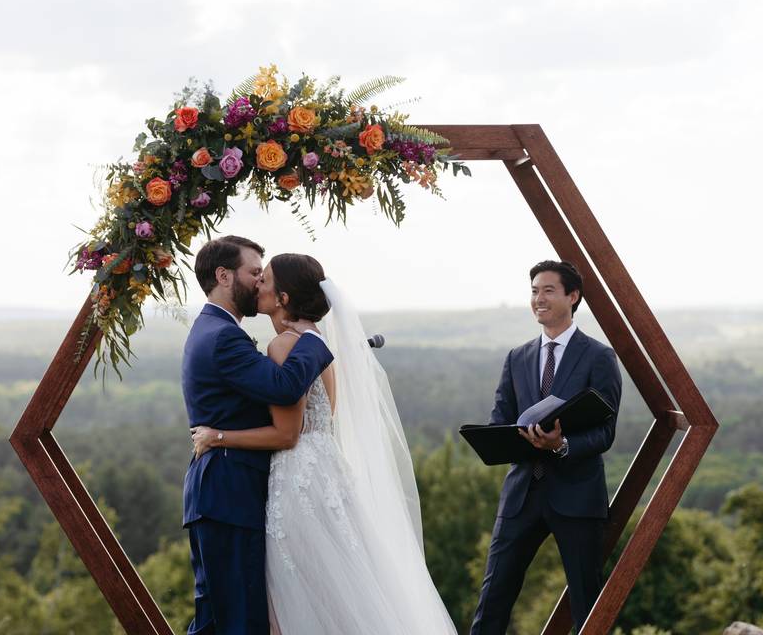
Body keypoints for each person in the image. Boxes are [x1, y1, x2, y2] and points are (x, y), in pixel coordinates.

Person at [191, 253, 457, 635]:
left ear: (283, 297)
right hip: (327, 470)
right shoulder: (318, 345)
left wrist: (217, 436)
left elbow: (288, 434)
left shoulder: (284, 346)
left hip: (298, 478)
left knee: (294, 599)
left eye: (264, 280)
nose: (257, 286)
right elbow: (321, 421)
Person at [181, 237, 333, 635]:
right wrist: (314, 338)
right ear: (223, 275)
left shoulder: (215, 328)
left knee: (224, 620)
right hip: (228, 495)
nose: (258, 283)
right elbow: (284, 389)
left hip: (228, 495)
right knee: (237, 620)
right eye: (253, 273)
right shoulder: (223, 336)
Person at [471, 260, 622, 634]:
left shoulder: (599, 357)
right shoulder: (517, 357)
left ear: (573, 296)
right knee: (492, 601)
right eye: (534, 291)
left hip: (577, 497)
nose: (539, 299)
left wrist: (563, 443)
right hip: (522, 494)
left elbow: (605, 433)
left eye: (548, 290)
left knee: (588, 605)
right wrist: (502, 439)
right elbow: (499, 421)